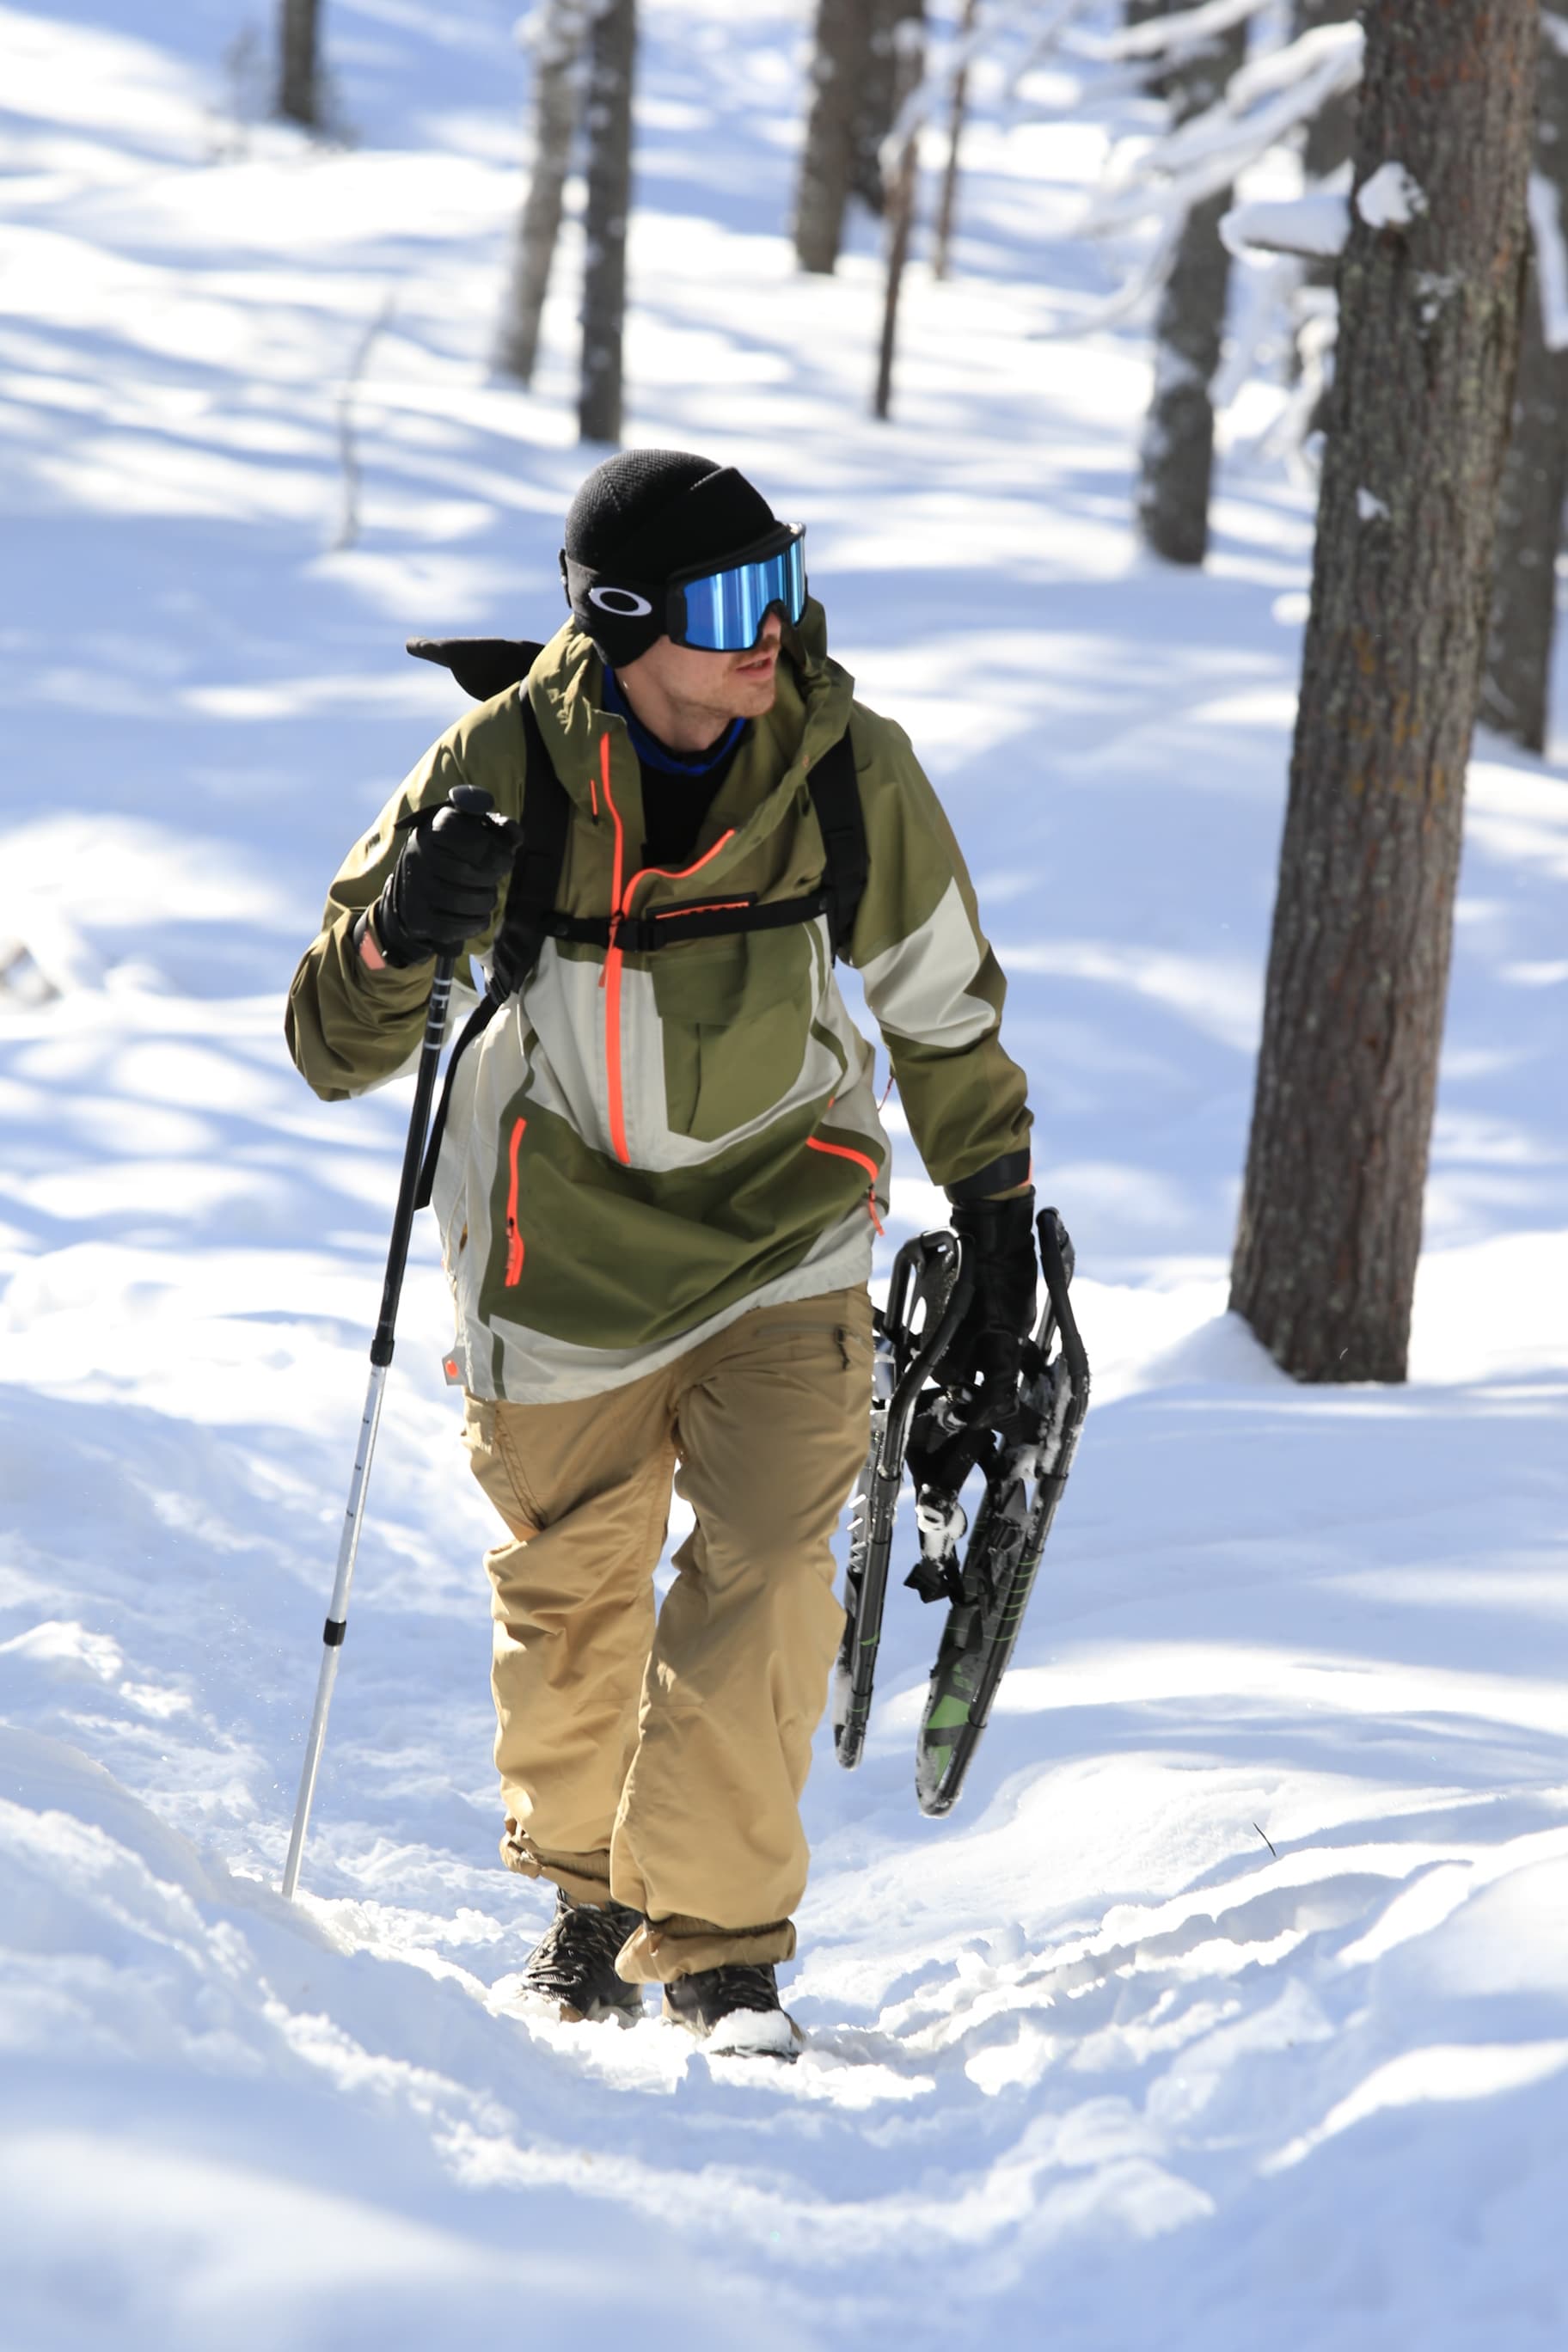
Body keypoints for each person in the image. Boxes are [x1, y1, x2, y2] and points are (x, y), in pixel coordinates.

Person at [286, 450, 1035, 2056]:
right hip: (561, 1252)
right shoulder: (500, 764)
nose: (770, 629)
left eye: (784, 581)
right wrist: (404, 930)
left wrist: (995, 1211)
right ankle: (591, 1896)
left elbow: (939, 995)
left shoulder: (843, 761)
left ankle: (720, 1947)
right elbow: (331, 1043)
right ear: (622, 627)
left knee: (765, 1575)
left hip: (790, 1229)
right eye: (726, 602)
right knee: (577, 1615)